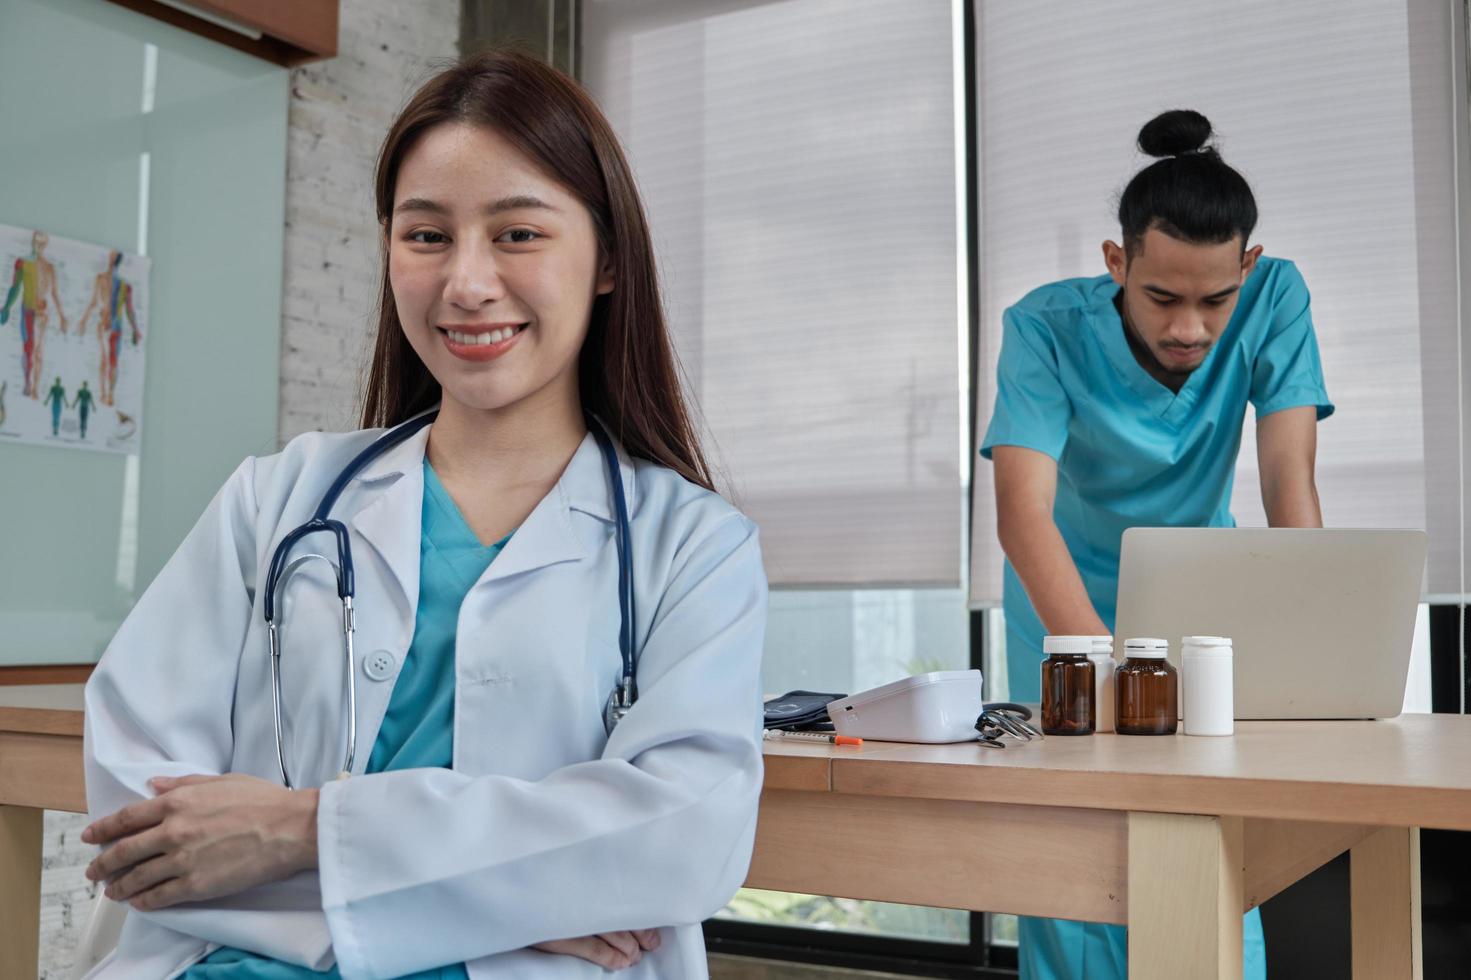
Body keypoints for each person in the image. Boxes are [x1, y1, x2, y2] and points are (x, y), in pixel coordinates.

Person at [79, 50, 767, 979]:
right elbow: (142, 815)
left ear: (606, 260)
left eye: (518, 234)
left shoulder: (692, 546)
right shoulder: (275, 498)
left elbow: (681, 843)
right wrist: (503, 896)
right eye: (426, 235)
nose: (467, 283)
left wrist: (300, 828)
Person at [981, 109, 1332, 980]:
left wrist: (1316, 656)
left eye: (1215, 300)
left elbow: (1288, 482)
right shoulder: (1044, 325)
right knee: (1079, 843)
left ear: (1246, 268)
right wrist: (1093, 665)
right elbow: (1022, 511)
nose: (1189, 330)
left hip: (1198, 597)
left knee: (1205, 838)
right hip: (1064, 604)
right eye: (1161, 298)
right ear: (1116, 263)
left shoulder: (1276, 296)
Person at [1, 230, 67, 399]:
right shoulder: (22, 263)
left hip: (42, 313)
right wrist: (7, 307)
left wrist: (62, 316)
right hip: (27, 311)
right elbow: (15, 287)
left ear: (45, 245)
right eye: (36, 241)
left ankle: (35, 387)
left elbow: (54, 293)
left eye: (42, 242)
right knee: (28, 349)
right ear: (32, 242)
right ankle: (26, 381)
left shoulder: (49, 268)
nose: (38, 245)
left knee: (38, 351)